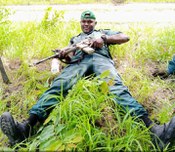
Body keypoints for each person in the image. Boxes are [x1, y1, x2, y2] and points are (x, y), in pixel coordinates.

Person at [1, 10, 175, 149]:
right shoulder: (75, 39)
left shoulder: (102, 32)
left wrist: (103, 39)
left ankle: (154, 132)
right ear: (80, 23)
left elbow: (125, 37)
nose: (86, 24)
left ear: (95, 23)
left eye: (90, 21)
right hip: (78, 63)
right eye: (84, 21)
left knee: (116, 88)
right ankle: (26, 128)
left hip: (101, 61)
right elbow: (69, 59)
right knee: (58, 86)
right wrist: (64, 55)